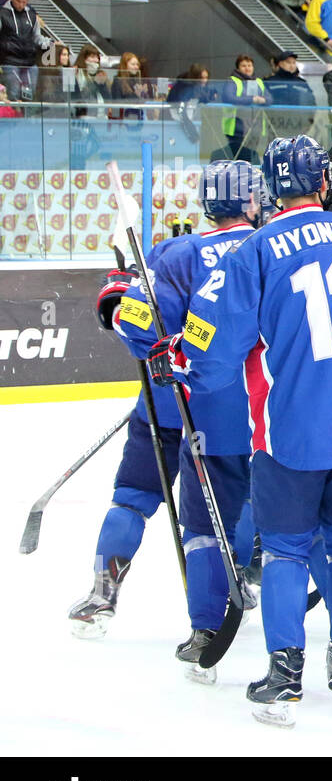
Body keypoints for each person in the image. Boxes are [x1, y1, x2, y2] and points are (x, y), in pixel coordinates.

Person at [148, 135, 332, 726]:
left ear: (270, 190)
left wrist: (178, 360)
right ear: (323, 181)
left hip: (293, 431)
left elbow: (217, 348)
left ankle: (286, 673)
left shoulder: (256, 250)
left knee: (284, 549)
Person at [113, 162, 268, 678]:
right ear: (252, 201)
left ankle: (206, 625)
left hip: (205, 408)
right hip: (274, 407)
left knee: (202, 522)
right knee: (273, 507)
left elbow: (137, 327)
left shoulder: (178, 253)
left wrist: (117, 294)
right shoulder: (277, 244)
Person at [67, 243, 186, 637]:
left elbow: (122, 317)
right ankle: (235, 582)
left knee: (133, 497)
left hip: (163, 407)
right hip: (227, 410)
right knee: (230, 506)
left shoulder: (168, 256)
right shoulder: (247, 254)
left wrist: (120, 293)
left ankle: (102, 595)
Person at [0, 0, 52, 102]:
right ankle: (12, 118)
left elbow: (37, 37)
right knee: (13, 94)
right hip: (9, 61)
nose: (21, 5)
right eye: (18, 1)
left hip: (29, 62)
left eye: (24, 2)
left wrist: (50, 43)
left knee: (28, 95)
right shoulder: (2, 14)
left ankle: (25, 118)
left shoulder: (32, 16)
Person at [220, 54, 268, 161]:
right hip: (237, 128)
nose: (247, 68)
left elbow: (269, 98)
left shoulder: (258, 81)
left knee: (249, 158)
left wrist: (264, 100)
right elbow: (229, 97)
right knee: (240, 158)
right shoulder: (233, 80)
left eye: (249, 65)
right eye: (244, 66)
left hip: (255, 127)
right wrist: (252, 99)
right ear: (238, 68)